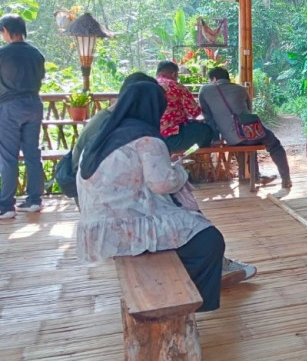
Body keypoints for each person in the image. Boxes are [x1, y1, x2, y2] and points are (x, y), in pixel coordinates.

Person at [76, 81, 256, 312]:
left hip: (98, 226)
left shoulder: (104, 135)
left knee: (188, 223)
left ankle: (195, 280)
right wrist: (180, 171)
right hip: (125, 228)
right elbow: (162, 183)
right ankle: (192, 300)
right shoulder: (147, 139)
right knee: (209, 240)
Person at [198, 67, 292, 190]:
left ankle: (256, 175)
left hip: (231, 138)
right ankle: (285, 178)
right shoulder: (241, 89)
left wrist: (216, 138)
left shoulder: (204, 90)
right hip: (252, 132)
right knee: (274, 145)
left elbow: (208, 117)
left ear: (214, 79)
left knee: (246, 143)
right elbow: (248, 112)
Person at [0, 14, 45, 218]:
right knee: (32, 154)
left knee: (9, 156)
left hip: (10, 107)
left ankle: (6, 205)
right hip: (34, 104)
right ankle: (34, 200)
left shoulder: (3, 54)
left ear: (7, 30)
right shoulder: (36, 53)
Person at [155, 61, 214, 153]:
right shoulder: (175, 86)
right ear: (174, 74)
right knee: (206, 130)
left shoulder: (148, 85)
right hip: (171, 139)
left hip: (150, 137)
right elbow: (195, 112)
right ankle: (191, 157)